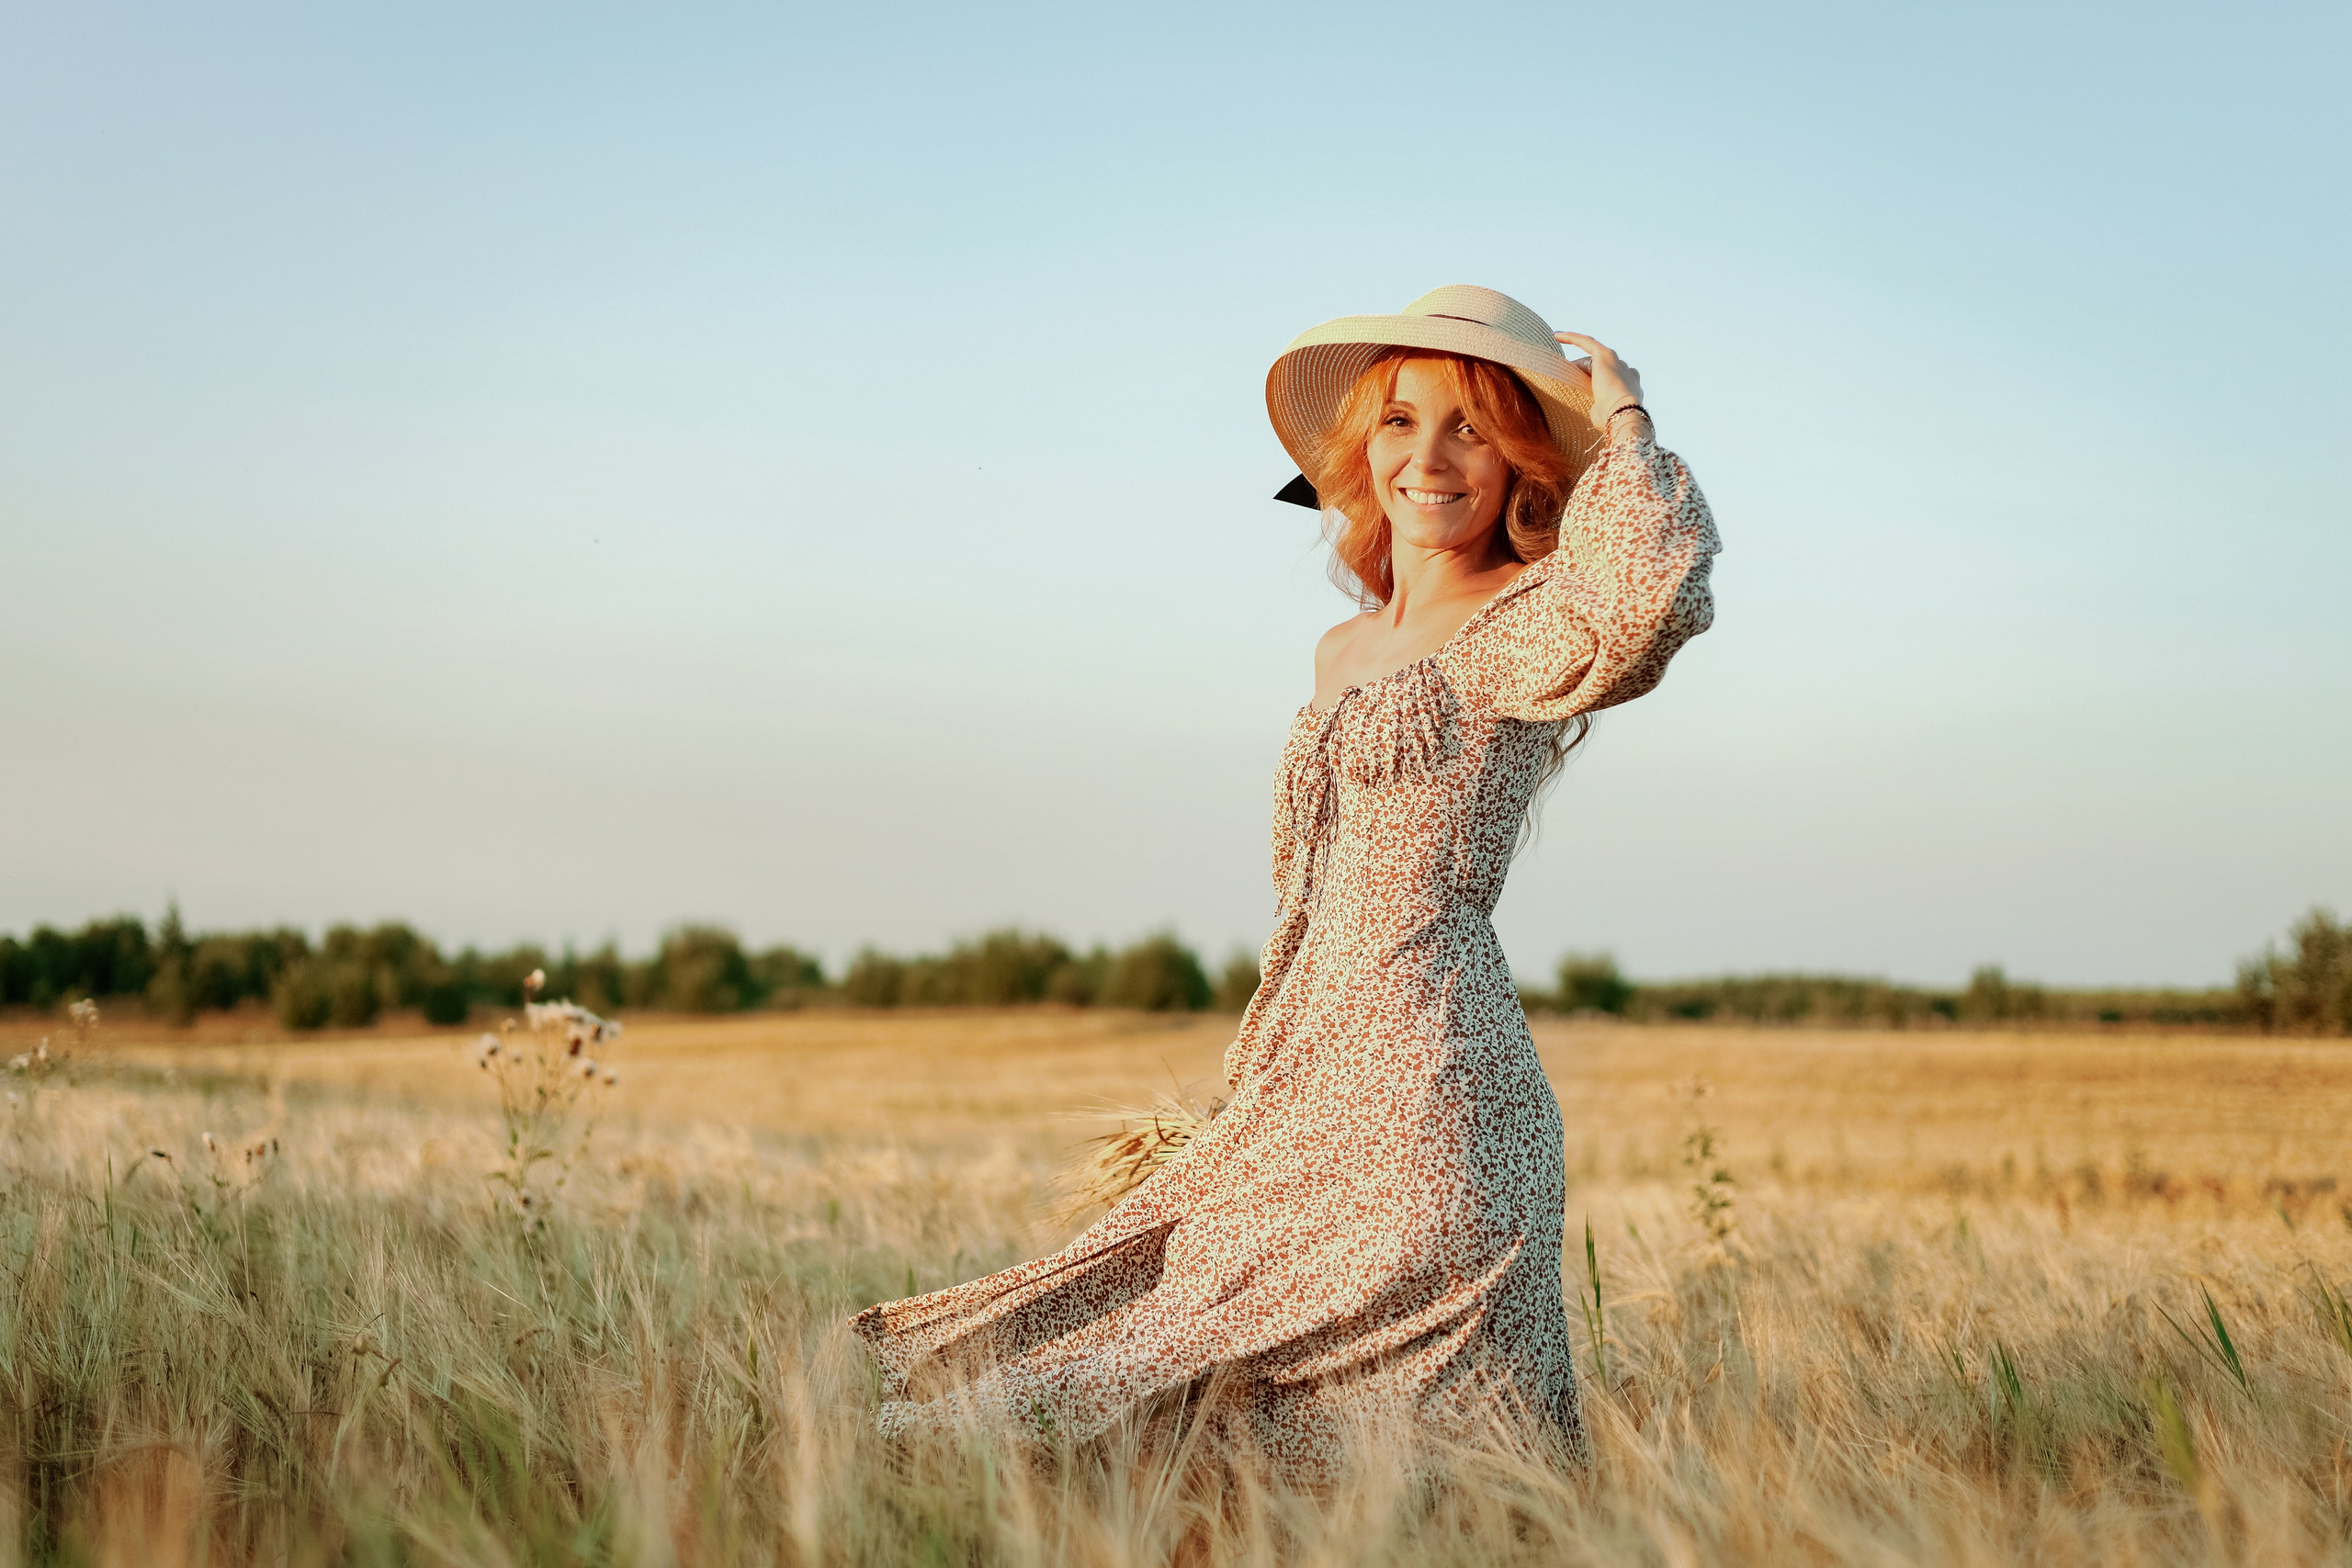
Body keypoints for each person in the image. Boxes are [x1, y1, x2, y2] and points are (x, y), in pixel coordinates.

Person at [854, 285, 1719, 1479]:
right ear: (1364, 450)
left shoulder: (1521, 619)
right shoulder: (1342, 649)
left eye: (1471, 425)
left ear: (1522, 459)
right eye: (1402, 420)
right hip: (1296, 1081)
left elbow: (1650, 598)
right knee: (1153, 1400)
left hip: (1431, 1087)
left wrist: (1622, 425)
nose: (1430, 455)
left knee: (1424, 1469)